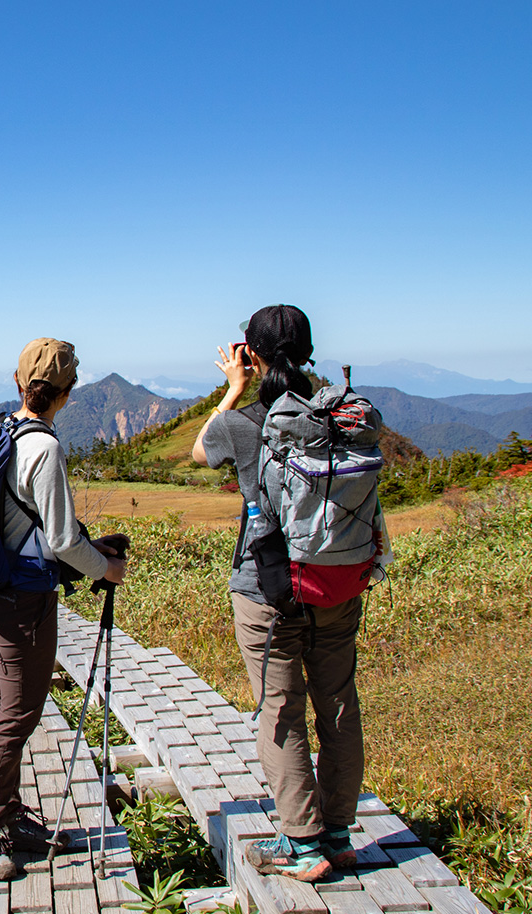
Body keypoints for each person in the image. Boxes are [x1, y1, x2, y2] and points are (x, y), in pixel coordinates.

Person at [191, 304, 363, 883]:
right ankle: (338, 835)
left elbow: (198, 452)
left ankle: (303, 843)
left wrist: (234, 390)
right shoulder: (340, 416)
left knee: (280, 709)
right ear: (310, 351)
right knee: (338, 703)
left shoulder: (245, 423)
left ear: (251, 353)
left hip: (266, 588)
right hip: (336, 581)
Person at [0, 337, 129, 882]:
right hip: (24, 601)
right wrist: (104, 568)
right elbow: (59, 540)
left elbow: (39, 525)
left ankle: (5, 816)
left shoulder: (6, 434)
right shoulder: (47, 449)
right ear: (64, 394)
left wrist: (89, 547)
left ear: (19, 383)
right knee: (17, 713)